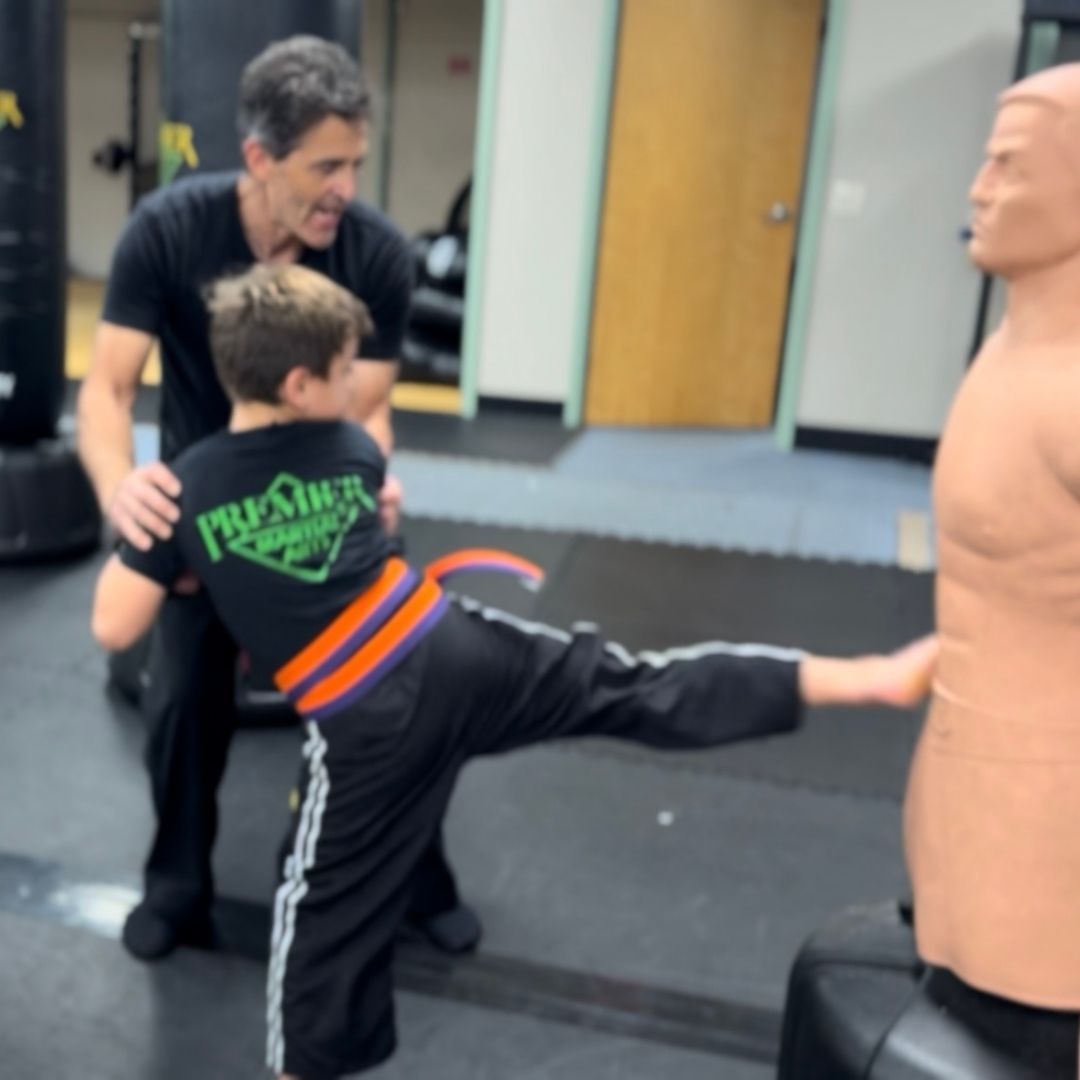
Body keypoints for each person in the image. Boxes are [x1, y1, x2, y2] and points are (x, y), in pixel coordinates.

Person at [91, 263, 939, 1080]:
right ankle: (866, 677)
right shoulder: (351, 449)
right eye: (348, 372)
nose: (358, 391)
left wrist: (155, 537)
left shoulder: (187, 487)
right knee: (633, 684)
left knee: (320, 929)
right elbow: (359, 522)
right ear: (303, 387)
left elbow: (112, 624)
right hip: (456, 651)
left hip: (363, 721)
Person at [75, 34, 477, 962]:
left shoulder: (372, 251)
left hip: (322, 512)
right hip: (200, 512)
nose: (345, 186)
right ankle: (176, 884)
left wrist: (371, 484)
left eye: (355, 164)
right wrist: (121, 488)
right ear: (259, 159)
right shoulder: (169, 230)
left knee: (389, 702)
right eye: (323, 166)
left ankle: (416, 874)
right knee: (182, 708)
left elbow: (366, 408)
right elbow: (105, 389)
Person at [903, 61, 1080, 1072]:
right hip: (964, 771)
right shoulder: (1014, 351)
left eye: (1009, 167)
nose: (978, 190)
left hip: (1047, 823)